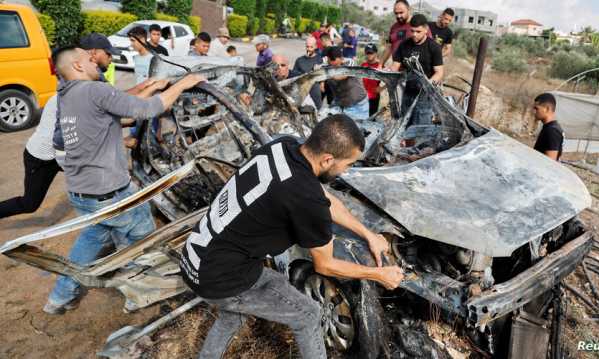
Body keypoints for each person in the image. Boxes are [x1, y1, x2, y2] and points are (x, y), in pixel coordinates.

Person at [180, 114, 404, 359]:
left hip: (196, 257)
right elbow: (326, 265)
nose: (345, 171)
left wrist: (368, 234)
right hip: (220, 278)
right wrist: (379, 274)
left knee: (234, 309)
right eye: (347, 164)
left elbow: (326, 201)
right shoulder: (306, 198)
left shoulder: (283, 146)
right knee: (308, 315)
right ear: (328, 159)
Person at [43, 47, 205, 314]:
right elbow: (151, 109)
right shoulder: (94, 91)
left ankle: (60, 297)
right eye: (88, 57)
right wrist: (186, 82)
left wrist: (153, 86)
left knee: (95, 237)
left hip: (82, 191)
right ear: (78, 65)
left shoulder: (67, 94)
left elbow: (118, 108)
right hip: (110, 192)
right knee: (143, 237)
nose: (94, 59)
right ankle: (139, 292)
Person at [0, 94, 61, 219]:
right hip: (40, 158)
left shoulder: (71, 94)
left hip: (57, 154)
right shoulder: (67, 99)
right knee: (29, 204)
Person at [391, 14, 443, 127]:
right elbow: (395, 66)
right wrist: (387, 77)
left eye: (418, 31)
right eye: (412, 31)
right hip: (408, 93)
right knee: (405, 127)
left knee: (421, 130)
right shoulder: (404, 45)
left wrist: (427, 85)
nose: (414, 34)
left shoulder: (433, 47)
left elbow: (439, 72)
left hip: (425, 96)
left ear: (426, 29)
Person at [325, 47, 369, 120]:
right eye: (331, 61)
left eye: (335, 62)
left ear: (341, 58)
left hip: (358, 106)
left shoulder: (350, 62)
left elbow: (343, 76)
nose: (334, 65)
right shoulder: (327, 66)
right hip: (340, 104)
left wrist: (329, 74)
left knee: (358, 129)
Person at [294, 37, 324, 109]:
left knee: (317, 110)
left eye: (311, 47)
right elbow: (294, 76)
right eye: (307, 47)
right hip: (302, 91)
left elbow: (323, 75)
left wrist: (322, 85)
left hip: (315, 91)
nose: (309, 49)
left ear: (316, 46)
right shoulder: (299, 60)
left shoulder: (320, 60)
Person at [533, 93, 564, 161]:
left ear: (547, 109)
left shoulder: (552, 131)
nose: (534, 112)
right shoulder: (550, 128)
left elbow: (550, 163)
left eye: (536, 108)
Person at [381, 0, 413, 66]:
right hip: (396, 69)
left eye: (401, 12)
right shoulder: (394, 27)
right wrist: (380, 64)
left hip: (412, 70)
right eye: (396, 13)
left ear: (409, 10)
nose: (398, 16)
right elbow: (389, 48)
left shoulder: (418, 26)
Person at [361, 44, 383, 117]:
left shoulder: (380, 66)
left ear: (376, 53)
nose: (369, 55)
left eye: (371, 53)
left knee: (371, 118)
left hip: (374, 97)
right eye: (368, 53)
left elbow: (390, 79)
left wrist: (382, 87)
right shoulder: (363, 65)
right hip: (363, 97)